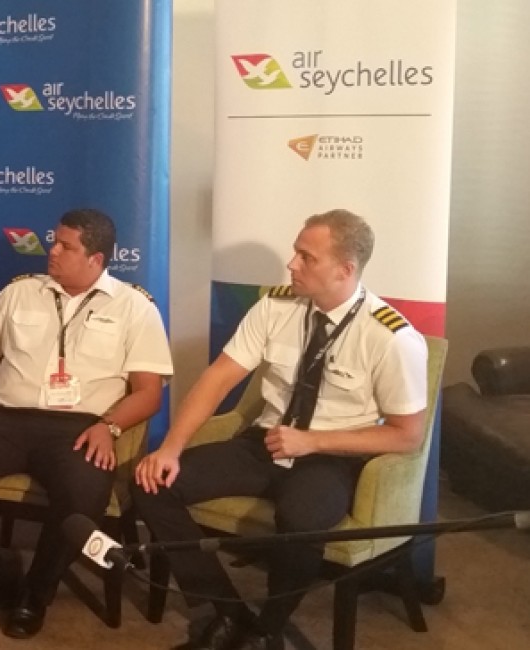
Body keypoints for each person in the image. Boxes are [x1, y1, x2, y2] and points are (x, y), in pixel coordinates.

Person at [132, 209, 428, 650]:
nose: (292, 264)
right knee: (152, 483)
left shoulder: (391, 338)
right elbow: (219, 378)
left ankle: (266, 629)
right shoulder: (275, 307)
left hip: (332, 457)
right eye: (295, 252)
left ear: (345, 270)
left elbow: (407, 435)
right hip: (264, 442)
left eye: (307, 257)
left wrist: (313, 441)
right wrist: (171, 448)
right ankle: (227, 612)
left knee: (301, 520)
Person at [0, 208, 172, 639]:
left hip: (80, 428)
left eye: (66, 246)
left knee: (84, 493)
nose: (53, 250)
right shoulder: (20, 292)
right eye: (54, 241)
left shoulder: (134, 307)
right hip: (4, 420)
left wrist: (109, 427)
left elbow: (148, 393)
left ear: (95, 259)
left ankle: (36, 592)